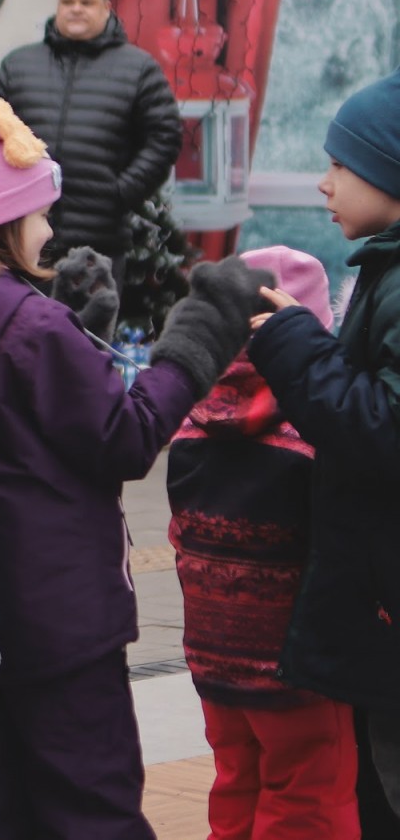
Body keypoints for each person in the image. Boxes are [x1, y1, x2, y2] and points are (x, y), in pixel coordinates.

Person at [0, 96, 262, 840]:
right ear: (2, 220)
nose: (52, 228)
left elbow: (16, 410)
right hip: (61, 620)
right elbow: (124, 438)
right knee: (92, 806)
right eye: (39, 212)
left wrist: (72, 327)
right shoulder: (31, 327)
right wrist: (197, 337)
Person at [246, 68, 400, 834]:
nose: (323, 182)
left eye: (341, 165)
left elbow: (383, 429)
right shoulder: (386, 271)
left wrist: (294, 345)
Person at [167, 244, 358, 839]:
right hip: (296, 663)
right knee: (307, 798)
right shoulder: (313, 428)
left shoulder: (191, 416)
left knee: (235, 786)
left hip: (212, 654)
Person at [0, 0, 181, 264]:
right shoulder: (18, 65)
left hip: (99, 243)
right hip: (23, 239)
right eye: (67, 1)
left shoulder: (138, 68)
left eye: (86, 2)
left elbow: (165, 137)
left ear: (106, 9)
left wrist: (121, 193)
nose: (75, 9)